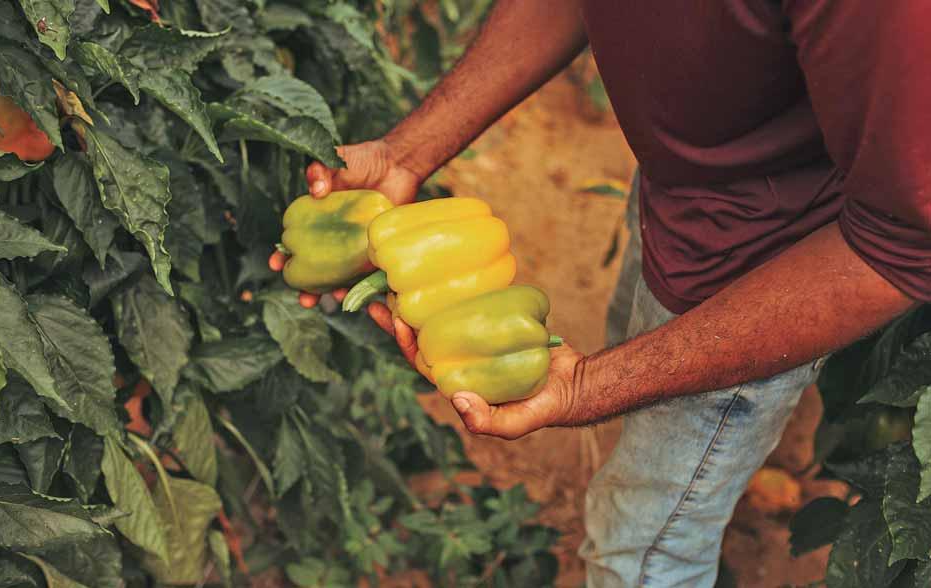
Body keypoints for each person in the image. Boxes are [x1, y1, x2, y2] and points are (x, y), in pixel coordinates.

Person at [271, 2, 931, 586]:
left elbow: (900, 243)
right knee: (643, 446)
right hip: (682, 195)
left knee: (642, 547)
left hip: (763, 273)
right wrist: (406, 155)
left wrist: (592, 386)